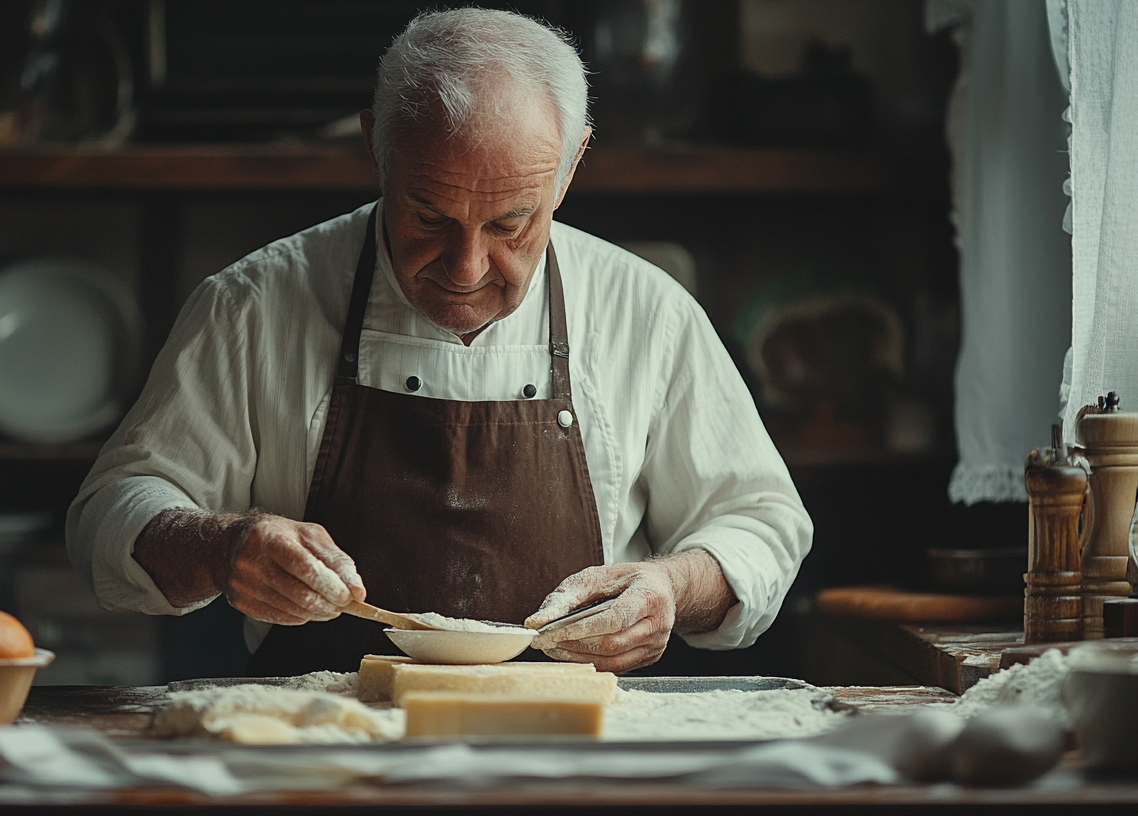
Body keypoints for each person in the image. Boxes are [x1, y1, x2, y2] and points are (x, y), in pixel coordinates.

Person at [66, 7, 812, 676]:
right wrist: (219, 545)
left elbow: (762, 523)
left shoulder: (645, 312)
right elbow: (109, 514)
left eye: (512, 222)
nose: (467, 268)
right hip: (322, 755)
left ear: (571, 165)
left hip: (574, 761)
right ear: (375, 148)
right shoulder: (254, 306)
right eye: (429, 216)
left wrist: (672, 589)